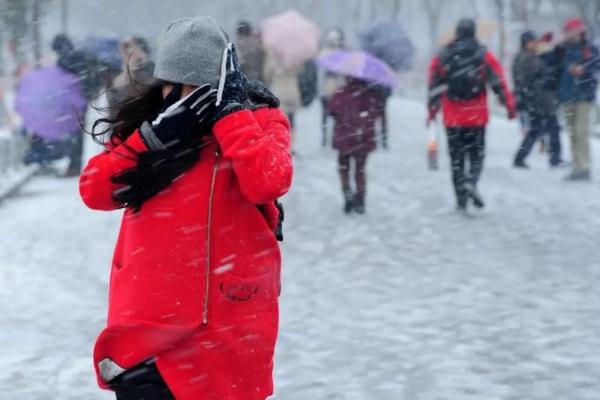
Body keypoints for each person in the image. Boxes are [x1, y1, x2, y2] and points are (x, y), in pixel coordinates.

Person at [79, 16, 293, 399]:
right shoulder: (151, 127)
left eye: (203, 89)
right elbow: (95, 189)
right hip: (148, 335)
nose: (190, 99)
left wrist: (230, 115)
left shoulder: (260, 120)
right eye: (179, 87)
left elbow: (268, 180)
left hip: (228, 331)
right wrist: (154, 139)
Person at [428, 18, 516, 212]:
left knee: (456, 159)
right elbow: (498, 82)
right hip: (476, 116)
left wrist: (431, 112)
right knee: (476, 155)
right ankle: (471, 181)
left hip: (452, 117)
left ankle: (461, 198)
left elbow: (433, 87)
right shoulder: (483, 54)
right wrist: (509, 106)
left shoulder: (442, 55)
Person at [329, 77, 387, 214]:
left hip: (344, 138)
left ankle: (347, 193)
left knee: (343, 168)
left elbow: (332, 111)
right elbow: (378, 112)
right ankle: (360, 200)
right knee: (360, 170)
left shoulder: (341, 92)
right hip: (363, 138)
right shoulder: (371, 94)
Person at [552, 18, 600, 181]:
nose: (570, 34)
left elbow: (596, 64)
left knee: (582, 132)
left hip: (584, 96)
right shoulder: (562, 49)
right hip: (566, 95)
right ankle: (576, 166)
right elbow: (551, 64)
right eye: (567, 31)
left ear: (580, 31)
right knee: (572, 133)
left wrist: (584, 69)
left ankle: (584, 167)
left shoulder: (589, 48)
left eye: (572, 30)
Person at [512, 30, 562, 168]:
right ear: (526, 43)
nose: (535, 44)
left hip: (536, 99)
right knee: (551, 128)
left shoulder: (525, 57)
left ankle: (520, 158)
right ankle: (555, 158)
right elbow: (539, 74)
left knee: (536, 130)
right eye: (532, 41)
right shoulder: (527, 58)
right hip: (539, 100)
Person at [108, 36, 155, 108]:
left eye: (130, 49)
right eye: (124, 50)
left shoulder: (151, 71)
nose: (126, 54)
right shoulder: (116, 76)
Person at [319, 28, 345, 147]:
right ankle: (335, 138)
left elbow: (320, 73)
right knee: (337, 116)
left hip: (326, 89)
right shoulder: (342, 54)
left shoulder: (323, 53)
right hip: (338, 89)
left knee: (325, 115)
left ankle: (325, 139)